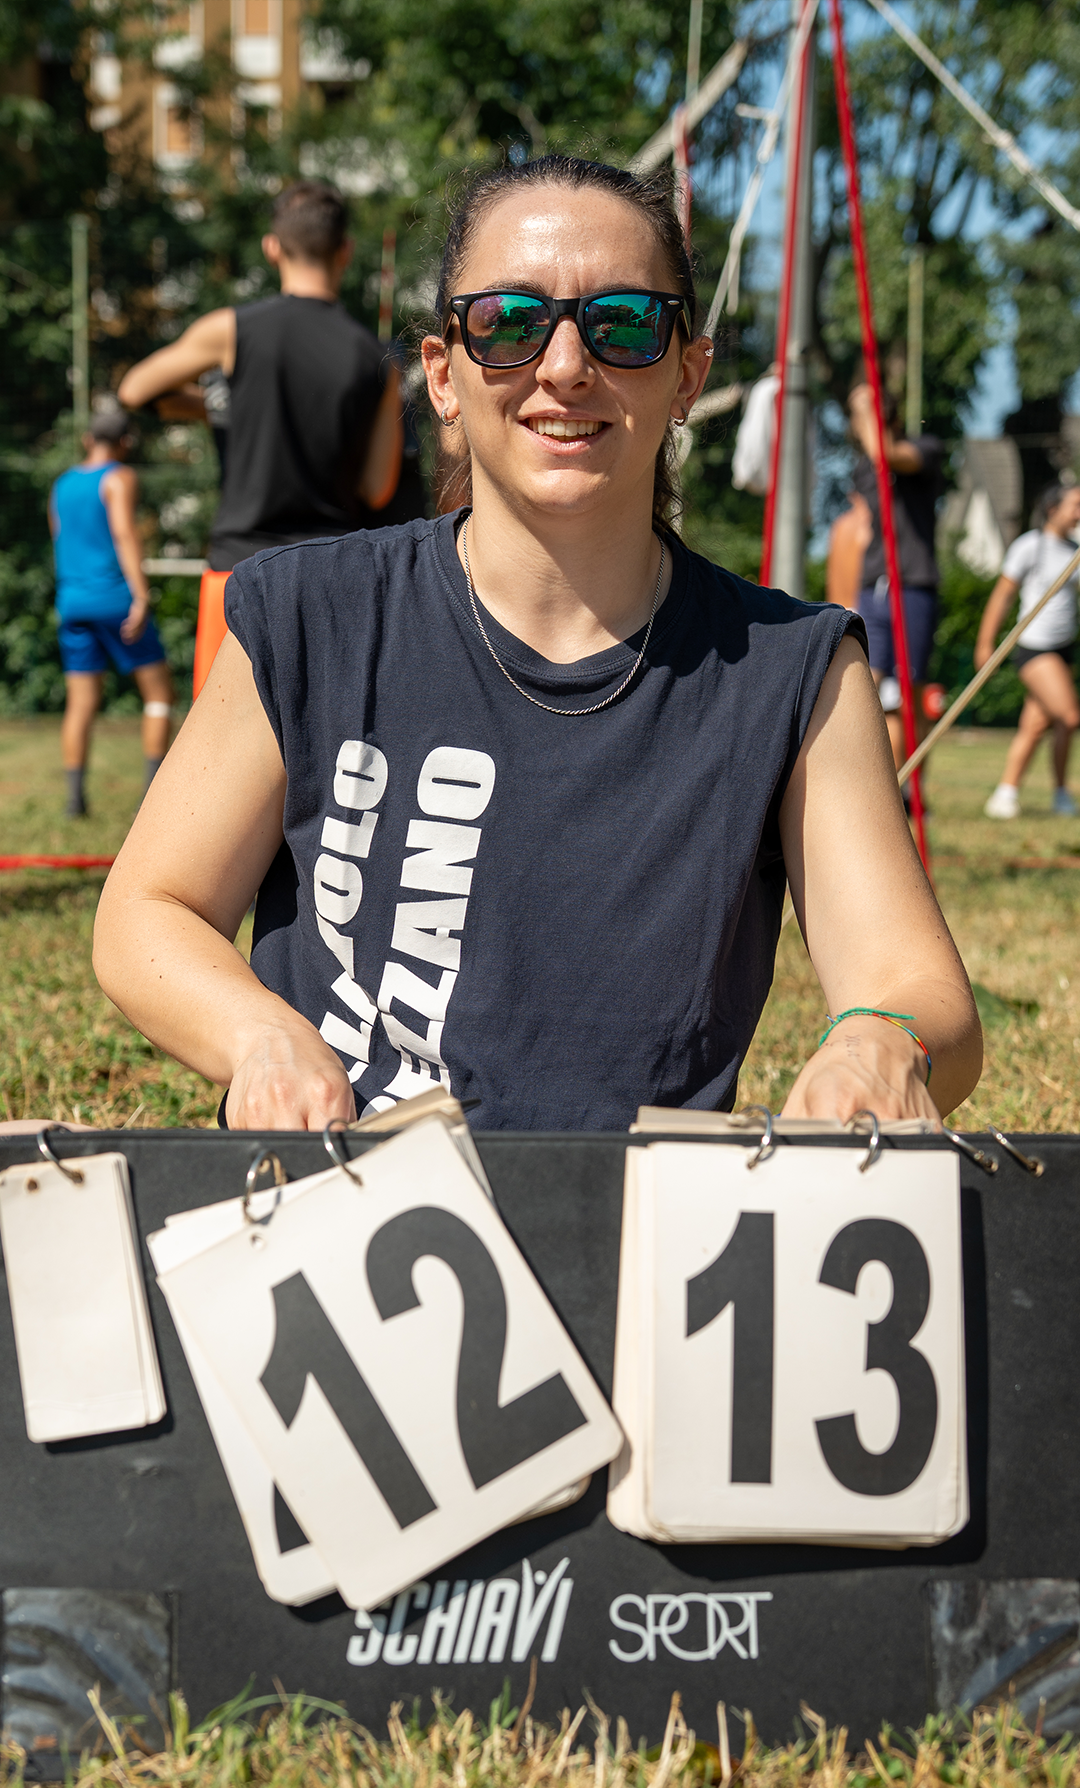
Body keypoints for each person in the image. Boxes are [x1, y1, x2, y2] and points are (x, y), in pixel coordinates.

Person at [94, 157, 981, 1133]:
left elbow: (915, 987)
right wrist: (262, 1035)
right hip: (341, 1203)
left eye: (625, 323)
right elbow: (149, 909)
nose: (564, 366)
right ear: (443, 375)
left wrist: (880, 1043)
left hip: (643, 1220)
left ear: (687, 375)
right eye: (509, 321)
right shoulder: (308, 616)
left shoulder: (796, 670)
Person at [117, 180, 404, 695]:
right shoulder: (377, 359)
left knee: (220, 739)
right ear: (345, 250)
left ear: (272, 247)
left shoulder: (233, 330)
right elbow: (377, 488)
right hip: (332, 575)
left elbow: (135, 389)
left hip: (237, 573)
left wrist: (221, 410)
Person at [49, 406, 173, 817]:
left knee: (81, 702)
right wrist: (141, 595)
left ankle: (74, 801)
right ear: (124, 443)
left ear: (87, 439)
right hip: (114, 599)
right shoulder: (119, 477)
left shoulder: (62, 484)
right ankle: (150, 798)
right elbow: (123, 533)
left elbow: (58, 536)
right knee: (159, 694)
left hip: (72, 601)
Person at [849, 380, 944, 774]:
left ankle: (911, 783)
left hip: (913, 586)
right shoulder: (863, 470)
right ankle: (869, 781)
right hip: (874, 587)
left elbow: (886, 454)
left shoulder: (924, 449)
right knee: (865, 687)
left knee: (909, 691)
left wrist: (865, 408)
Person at [979, 482, 1080, 820]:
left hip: (1063, 647)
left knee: (1035, 724)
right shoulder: (1031, 546)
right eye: (1075, 505)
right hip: (1035, 647)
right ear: (1053, 509)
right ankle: (1061, 794)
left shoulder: (1075, 550)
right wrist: (985, 644)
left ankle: (1005, 794)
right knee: (1069, 716)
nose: (1079, 513)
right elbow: (1002, 596)